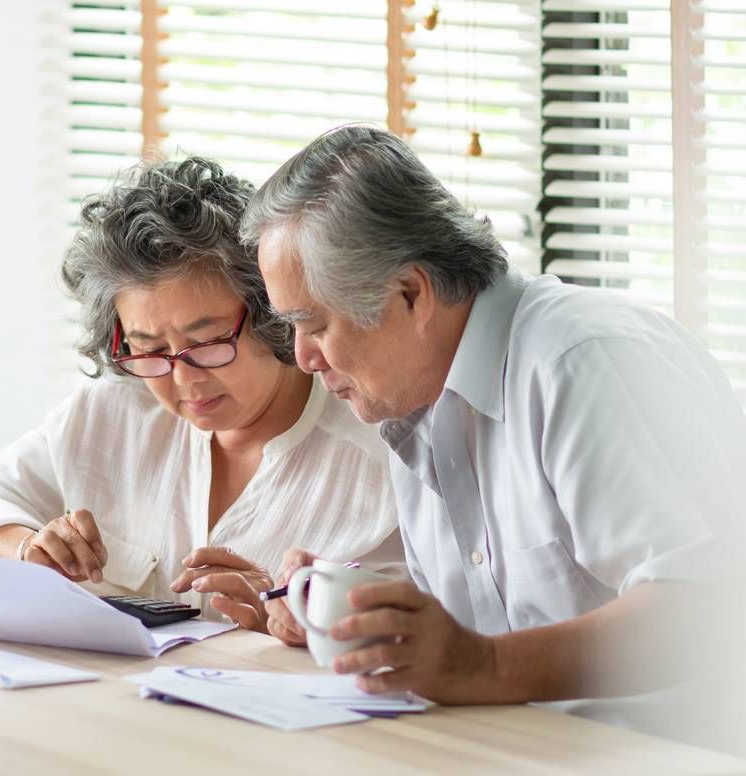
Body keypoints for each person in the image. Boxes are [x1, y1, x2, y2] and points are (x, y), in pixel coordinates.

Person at [241, 124, 746, 747]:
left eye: (312, 323)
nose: (303, 357)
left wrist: (480, 666)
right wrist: (357, 614)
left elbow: (704, 611)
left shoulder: (582, 362)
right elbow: (481, 631)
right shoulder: (411, 397)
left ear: (410, 293)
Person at [0, 156, 401, 633]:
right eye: (150, 348)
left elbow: (413, 633)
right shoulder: (114, 410)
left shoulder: (380, 461)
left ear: (270, 312)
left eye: (207, 343)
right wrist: (27, 549)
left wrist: (296, 617)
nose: (183, 379)